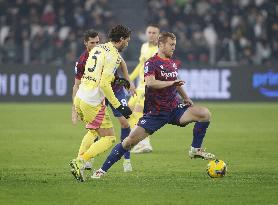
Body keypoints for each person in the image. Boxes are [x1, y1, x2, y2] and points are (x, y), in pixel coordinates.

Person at [92, 32, 216, 179]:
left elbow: (176, 82)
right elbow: (150, 82)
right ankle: (102, 170)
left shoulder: (171, 63)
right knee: (129, 142)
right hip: (155, 113)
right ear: (161, 44)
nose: (173, 48)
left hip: (175, 109)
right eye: (171, 45)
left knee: (204, 114)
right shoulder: (151, 62)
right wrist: (171, 83)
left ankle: (195, 149)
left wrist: (186, 98)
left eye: (174, 45)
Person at [69, 25, 133, 182]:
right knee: (109, 138)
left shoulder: (99, 48)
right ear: (122, 39)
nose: (127, 44)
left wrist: (117, 79)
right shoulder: (114, 55)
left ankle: (78, 162)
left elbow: (97, 74)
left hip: (81, 97)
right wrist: (118, 105)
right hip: (92, 102)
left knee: (93, 131)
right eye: (127, 41)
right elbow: (104, 84)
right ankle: (80, 161)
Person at [128, 24, 160, 153]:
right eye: (149, 32)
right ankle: (139, 140)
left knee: (138, 112)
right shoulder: (144, 47)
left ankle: (144, 143)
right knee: (128, 110)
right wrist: (129, 79)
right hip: (140, 86)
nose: (151, 34)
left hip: (150, 86)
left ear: (158, 35)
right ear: (146, 33)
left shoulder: (160, 50)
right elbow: (141, 65)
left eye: (154, 33)